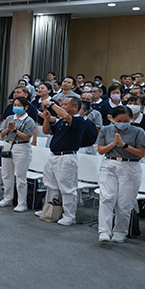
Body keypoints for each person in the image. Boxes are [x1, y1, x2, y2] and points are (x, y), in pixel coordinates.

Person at [95, 105, 145, 243]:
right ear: (112, 119)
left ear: (131, 119)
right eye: (119, 120)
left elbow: (141, 153)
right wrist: (113, 144)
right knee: (107, 198)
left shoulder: (138, 131)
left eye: (126, 120)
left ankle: (120, 231)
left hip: (130, 165)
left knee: (125, 203)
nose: (122, 123)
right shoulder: (106, 130)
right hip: (110, 163)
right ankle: (104, 231)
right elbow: (101, 150)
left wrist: (124, 145)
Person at [40, 95, 84, 226]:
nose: (62, 106)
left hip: (67, 157)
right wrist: (46, 119)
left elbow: (65, 115)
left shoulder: (78, 120)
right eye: (62, 104)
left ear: (75, 107)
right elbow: (47, 131)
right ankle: (49, 210)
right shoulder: (61, 120)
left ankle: (69, 215)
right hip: (53, 155)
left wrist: (51, 104)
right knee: (51, 186)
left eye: (65, 104)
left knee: (67, 189)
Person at [0, 96, 36, 210]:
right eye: (15, 105)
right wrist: (8, 128)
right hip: (8, 145)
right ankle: (7, 198)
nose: (16, 107)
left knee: (20, 177)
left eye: (19, 105)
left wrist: (14, 130)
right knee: (6, 174)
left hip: (21, 147)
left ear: (26, 107)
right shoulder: (9, 117)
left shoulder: (29, 120)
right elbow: (2, 133)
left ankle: (22, 203)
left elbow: (27, 137)